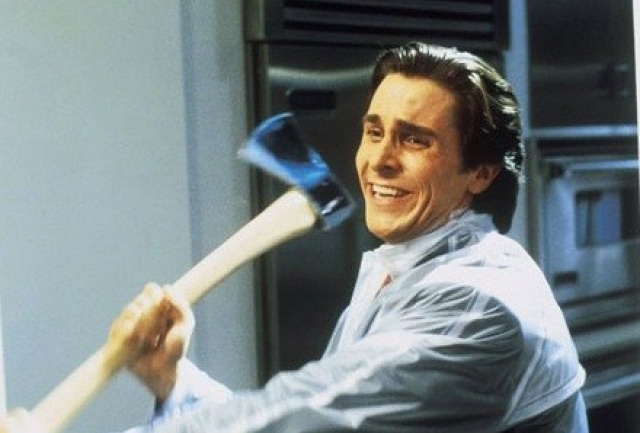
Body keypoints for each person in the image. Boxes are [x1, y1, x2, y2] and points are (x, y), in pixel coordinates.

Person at [1, 41, 588, 433]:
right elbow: (312, 408)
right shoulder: (405, 268)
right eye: (373, 131)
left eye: (414, 139)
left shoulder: (477, 305)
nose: (379, 160)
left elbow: (303, 421)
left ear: (480, 172)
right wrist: (173, 379)